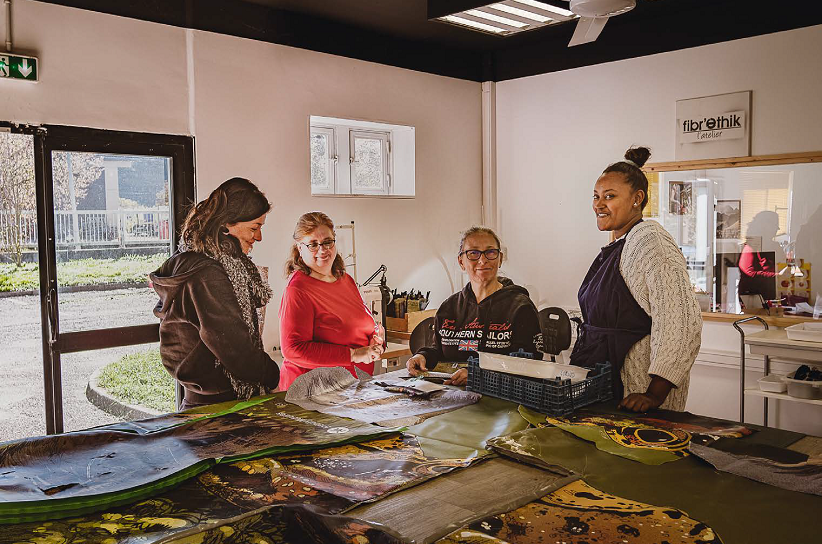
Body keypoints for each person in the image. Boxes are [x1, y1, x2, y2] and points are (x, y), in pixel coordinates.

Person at [570, 147, 702, 412]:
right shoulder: (622, 244)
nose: (598, 204)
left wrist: (654, 394)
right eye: (596, 197)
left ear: (637, 198)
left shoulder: (651, 242)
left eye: (609, 196)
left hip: (636, 397)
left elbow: (681, 322)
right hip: (605, 385)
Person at [151, 178, 280, 409]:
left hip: (206, 400)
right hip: (219, 407)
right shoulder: (208, 274)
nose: (259, 237)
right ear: (227, 224)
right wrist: (272, 375)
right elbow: (235, 350)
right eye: (254, 227)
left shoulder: (197, 259)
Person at [406, 227, 543, 386]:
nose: (483, 260)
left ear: (500, 258)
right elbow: (437, 349)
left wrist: (480, 375)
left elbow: (529, 364)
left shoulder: (521, 308)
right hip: (450, 397)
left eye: (490, 252)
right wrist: (422, 356)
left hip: (500, 403)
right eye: (473, 253)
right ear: (461, 261)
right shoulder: (448, 308)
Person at [278, 212, 384, 390]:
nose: (322, 249)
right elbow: (293, 349)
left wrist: (376, 341)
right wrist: (354, 355)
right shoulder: (298, 290)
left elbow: (360, 326)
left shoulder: (345, 280)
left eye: (327, 242)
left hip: (349, 388)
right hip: (312, 392)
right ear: (299, 248)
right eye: (312, 244)